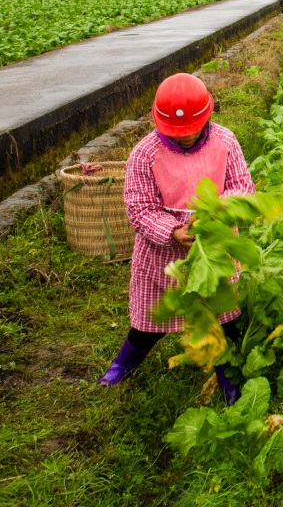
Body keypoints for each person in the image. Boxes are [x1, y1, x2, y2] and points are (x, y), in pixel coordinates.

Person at [99, 73, 254, 403]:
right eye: (175, 133)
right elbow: (140, 208)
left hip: (214, 250)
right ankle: (122, 365)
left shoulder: (225, 142)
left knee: (223, 319)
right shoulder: (145, 154)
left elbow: (242, 188)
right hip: (162, 256)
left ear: (207, 117)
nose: (184, 138)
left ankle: (227, 378)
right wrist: (172, 232)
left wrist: (216, 212)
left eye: (191, 130)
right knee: (148, 323)